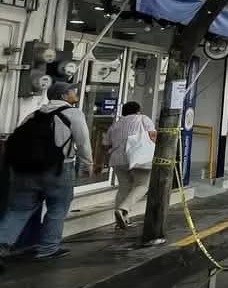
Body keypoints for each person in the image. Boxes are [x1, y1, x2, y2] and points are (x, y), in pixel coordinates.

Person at [0, 82, 92, 261]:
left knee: (19, 209)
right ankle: (48, 248)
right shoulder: (74, 113)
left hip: (26, 170)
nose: (75, 93)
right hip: (59, 168)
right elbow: (82, 142)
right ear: (64, 96)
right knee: (57, 208)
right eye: (72, 91)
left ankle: (2, 244)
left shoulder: (34, 114)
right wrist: (87, 163)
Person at [101, 101, 157, 229]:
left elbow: (105, 144)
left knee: (124, 187)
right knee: (142, 185)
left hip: (117, 159)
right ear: (138, 111)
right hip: (138, 158)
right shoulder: (143, 119)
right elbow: (153, 136)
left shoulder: (116, 124)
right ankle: (123, 209)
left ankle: (122, 221)